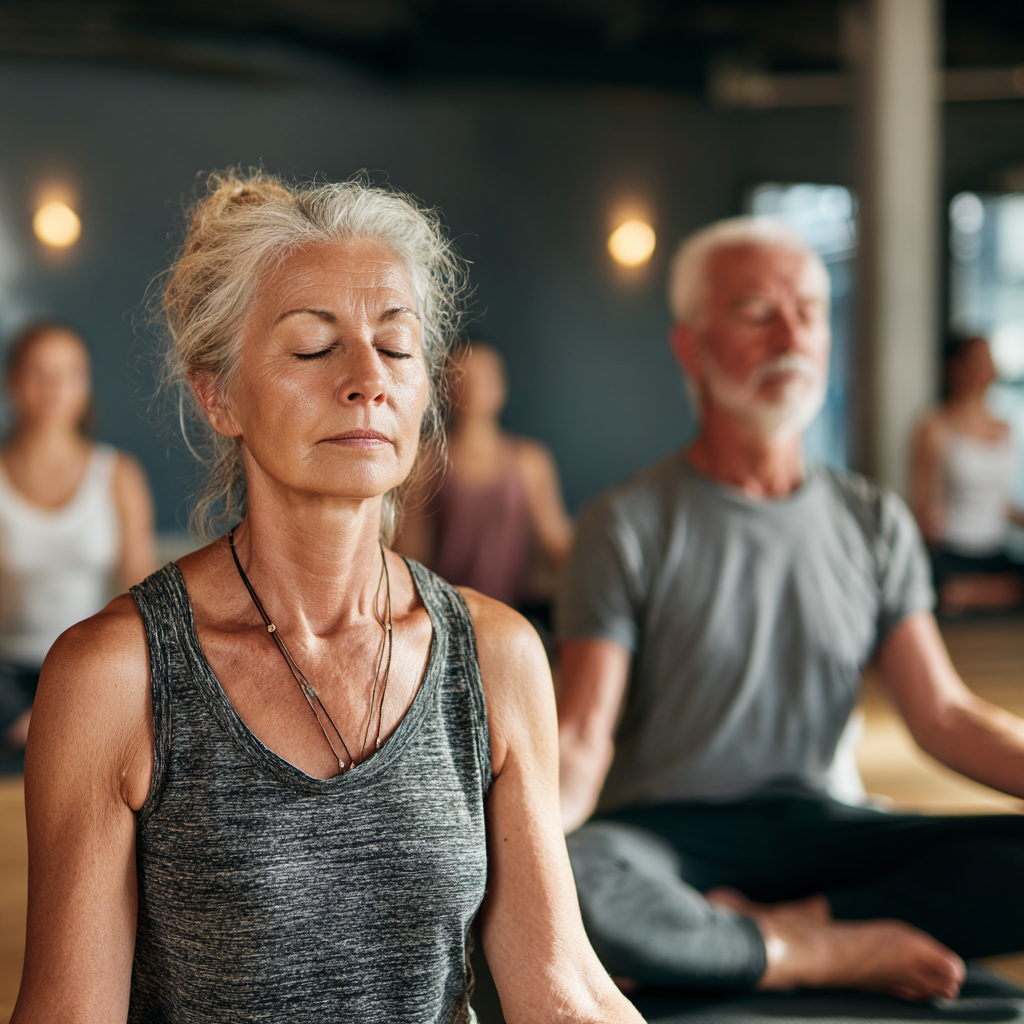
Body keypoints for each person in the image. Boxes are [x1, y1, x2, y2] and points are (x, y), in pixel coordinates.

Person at [12, 172, 642, 1024]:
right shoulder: (115, 677)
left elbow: (562, 989)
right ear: (219, 394)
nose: (367, 379)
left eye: (397, 344)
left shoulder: (497, 655)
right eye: (314, 347)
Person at [556, 216, 1024, 1003]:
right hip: (670, 837)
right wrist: (523, 846)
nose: (792, 333)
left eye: (809, 309)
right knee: (577, 877)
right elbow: (580, 735)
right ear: (690, 348)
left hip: (821, 828)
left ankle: (781, 930)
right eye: (755, 311)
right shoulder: (626, 523)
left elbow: (942, 714)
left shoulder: (874, 520)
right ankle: (810, 953)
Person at [0, 322, 155, 752]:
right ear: (13, 381)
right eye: (39, 373)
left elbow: (139, 591)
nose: (55, 388)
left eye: (69, 373)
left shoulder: (119, 474)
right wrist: (14, 715)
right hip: (6, 678)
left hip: (86, 668)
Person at [395, 341, 572, 621]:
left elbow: (556, 542)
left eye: (486, 377)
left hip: (517, 615)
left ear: (502, 385)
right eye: (463, 377)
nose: (476, 387)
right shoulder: (426, 462)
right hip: (445, 617)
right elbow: (410, 553)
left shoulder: (530, 461)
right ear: (447, 386)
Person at [912, 333, 1022, 615]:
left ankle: (974, 593)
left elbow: (1002, 502)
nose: (986, 367)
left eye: (988, 359)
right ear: (955, 368)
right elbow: (923, 503)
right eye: (976, 359)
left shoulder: (1004, 429)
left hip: (994, 550)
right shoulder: (934, 427)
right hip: (953, 551)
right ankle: (974, 592)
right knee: (940, 589)